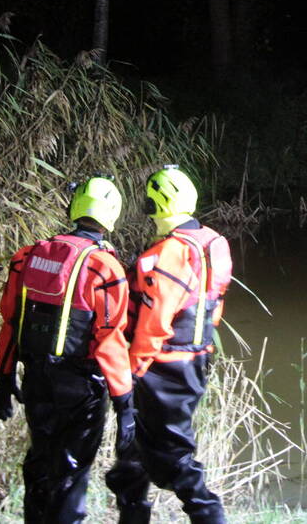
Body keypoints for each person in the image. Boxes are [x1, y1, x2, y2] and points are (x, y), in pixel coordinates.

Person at [0, 175, 135, 523]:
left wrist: (2, 379)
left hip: (37, 379)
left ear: (74, 208)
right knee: (70, 476)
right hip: (81, 387)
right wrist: (124, 403)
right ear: (111, 214)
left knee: (40, 462)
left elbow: (10, 321)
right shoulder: (105, 268)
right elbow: (110, 340)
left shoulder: (30, 255)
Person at [107, 165, 232, 524]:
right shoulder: (214, 241)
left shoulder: (165, 255)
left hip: (163, 367)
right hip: (195, 358)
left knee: (174, 459)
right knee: (131, 458)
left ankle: (209, 515)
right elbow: (212, 305)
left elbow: (155, 324)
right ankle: (132, 512)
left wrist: (131, 373)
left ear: (157, 204)